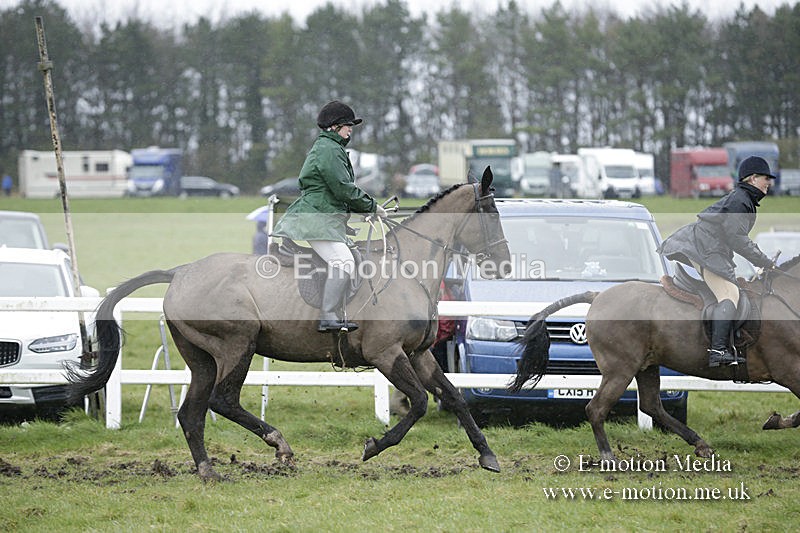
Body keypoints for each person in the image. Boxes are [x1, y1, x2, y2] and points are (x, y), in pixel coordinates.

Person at [272, 100, 387, 332]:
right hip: (317, 219)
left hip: (323, 217)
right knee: (343, 262)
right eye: (347, 126)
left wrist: (362, 211)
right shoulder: (329, 149)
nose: (350, 130)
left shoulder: (331, 148)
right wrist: (372, 207)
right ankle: (327, 315)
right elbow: (342, 188)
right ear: (335, 126)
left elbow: (336, 193)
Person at [658, 155, 776, 368]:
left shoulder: (744, 199)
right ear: (752, 178)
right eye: (766, 178)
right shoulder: (740, 200)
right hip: (704, 248)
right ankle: (718, 350)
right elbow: (737, 239)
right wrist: (765, 262)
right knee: (729, 295)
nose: (769, 182)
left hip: (709, 248)